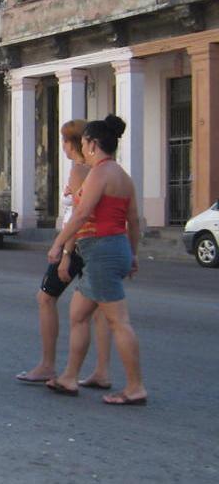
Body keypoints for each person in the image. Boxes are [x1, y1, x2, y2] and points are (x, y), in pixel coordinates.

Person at [46, 115, 147, 405]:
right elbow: (134, 221)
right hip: (111, 250)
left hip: (102, 251)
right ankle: (69, 377)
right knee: (78, 314)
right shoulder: (122, 176)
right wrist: (132, 254)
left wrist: (58, 244)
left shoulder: (100, 173)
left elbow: (81, 215)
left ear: (91, 143)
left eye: (85, 143)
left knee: (119, 321)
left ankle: (135, 387)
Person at [16, 120, 112, 388]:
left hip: (77, 243)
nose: (64, 147)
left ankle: (48, 364)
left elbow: (78, 215)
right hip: (96, 242)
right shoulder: (98, 170)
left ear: (73, 143)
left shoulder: (79, 170)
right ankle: (102, 370)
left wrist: (65, 251)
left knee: (46, 297)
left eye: (65, 141)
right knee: (101, 309)